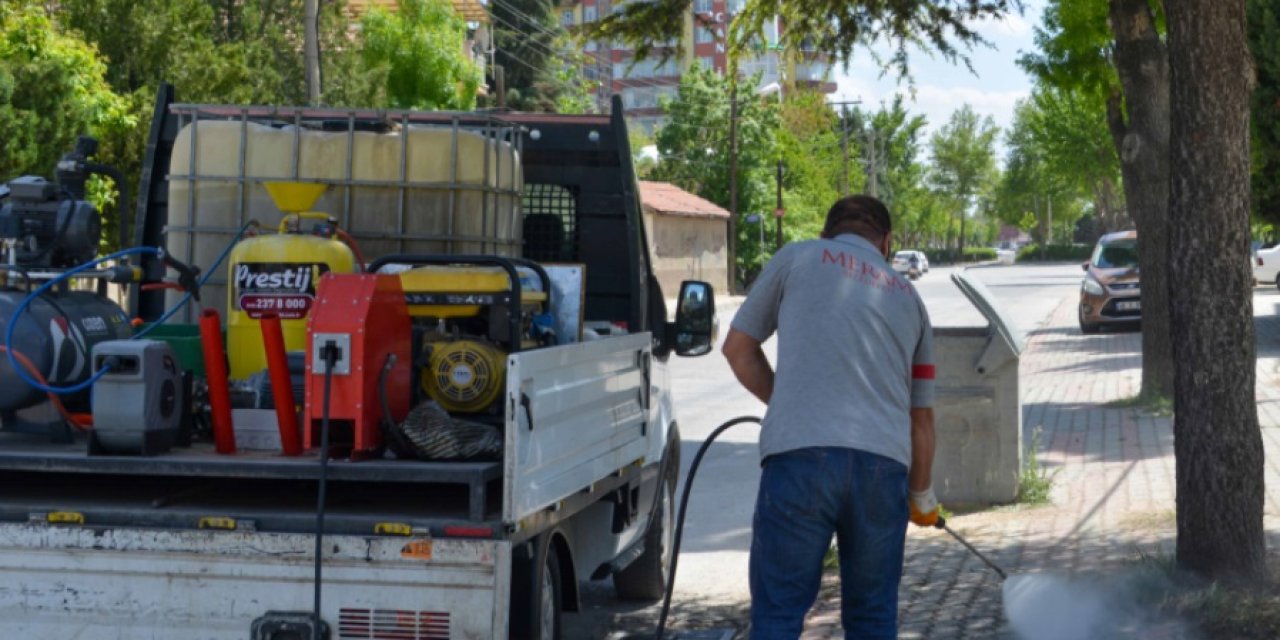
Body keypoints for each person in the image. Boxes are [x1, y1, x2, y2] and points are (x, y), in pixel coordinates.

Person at [721, 194, 939, 639]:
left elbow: (738, 350)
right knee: (874, 617)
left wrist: (788, 403)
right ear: (886, 242)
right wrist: (921, 494)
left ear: (827, 233)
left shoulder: (797, 258)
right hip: (883, 471)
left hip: (799, 464)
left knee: (779, 614)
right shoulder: (910, 298)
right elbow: (922, 420)